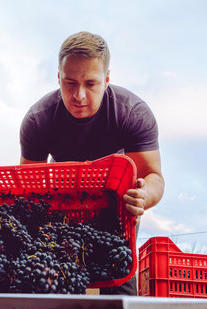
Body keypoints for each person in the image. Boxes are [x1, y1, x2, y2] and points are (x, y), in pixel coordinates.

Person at [19, 31, 164, 295]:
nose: (79, 95)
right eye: (70, 83)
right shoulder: (38, 120)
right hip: (64, 200)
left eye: (91, 83)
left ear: (107, 79)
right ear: (58, 77)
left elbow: (154, 176)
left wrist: (143, 196)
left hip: (117, 202)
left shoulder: (132, 114)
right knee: (62, 276)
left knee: (118, 277)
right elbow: (26, 189)